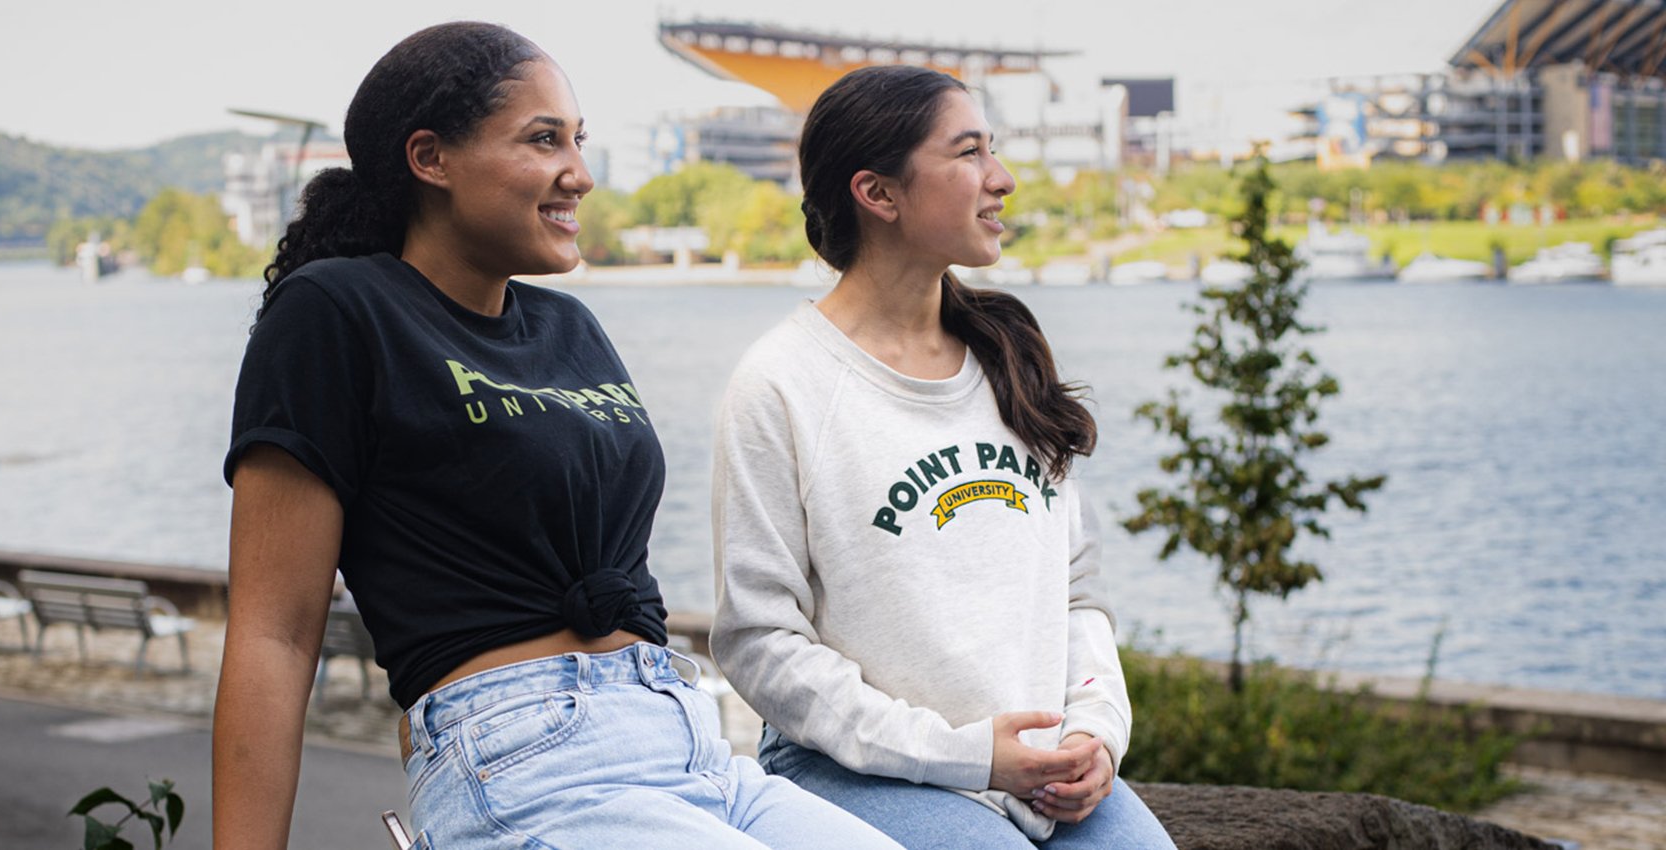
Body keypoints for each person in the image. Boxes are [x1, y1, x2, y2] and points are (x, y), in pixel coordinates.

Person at [213, 22, 904, 850]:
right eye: (544, 140)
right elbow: (274, 635)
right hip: (525, 757)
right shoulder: (334, 311)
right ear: (430, 158)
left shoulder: (568, 326)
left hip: (686, 738)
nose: (579, 172)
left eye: (579, 139)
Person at [710, 65, 1177, 850]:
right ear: (879, 194)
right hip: (857, 771)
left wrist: (1096, 732)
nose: (1003, 179)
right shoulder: (780, 385)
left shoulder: (1007, 358)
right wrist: (963, 755)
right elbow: (759, 642)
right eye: (968, 154)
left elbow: (1077, 594)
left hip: (1039, 771)